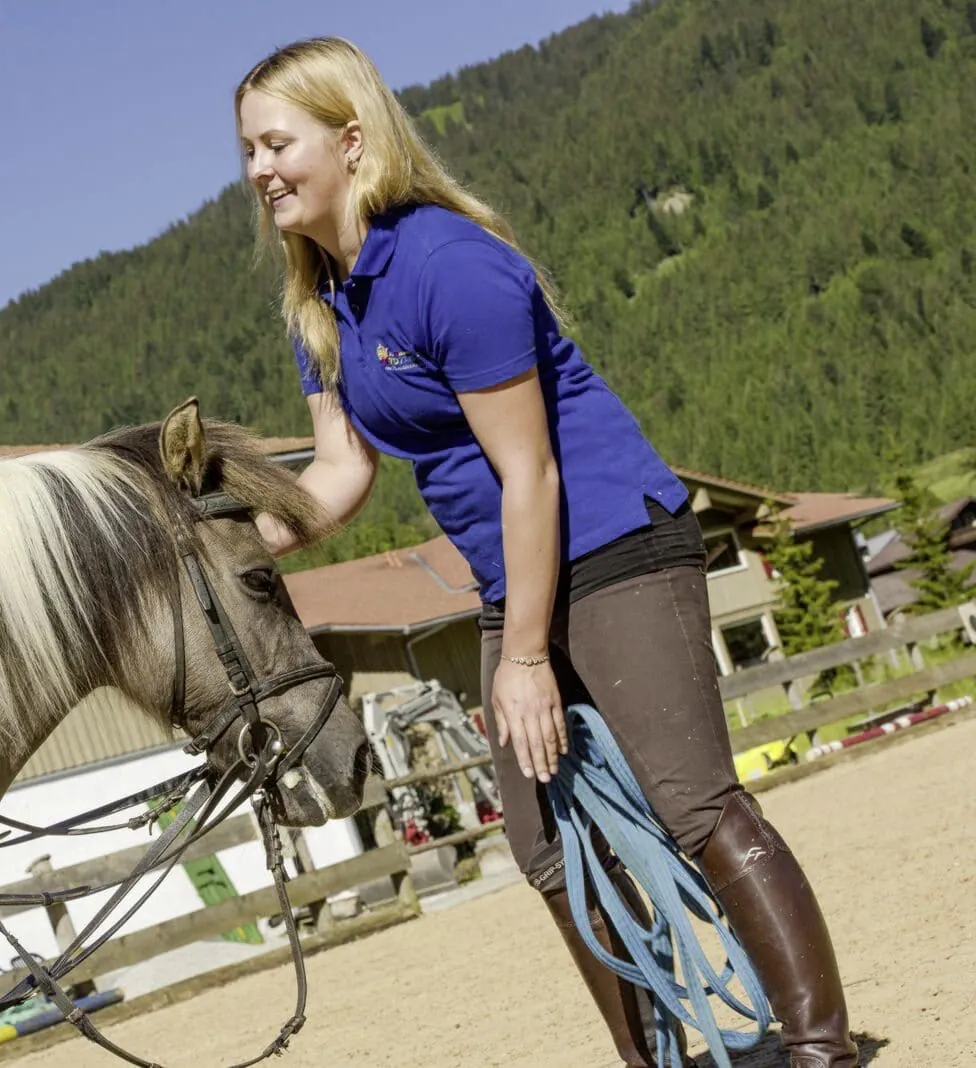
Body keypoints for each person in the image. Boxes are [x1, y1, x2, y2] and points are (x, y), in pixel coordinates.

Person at [234, 37, 855, 1067]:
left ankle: (820, 1052)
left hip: (611, 542)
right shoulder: (320, 303)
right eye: (246, 150)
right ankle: (657, 1060)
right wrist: (236, 549)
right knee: (547, 847)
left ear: (351, 141)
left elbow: (532, 474)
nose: (257, 170)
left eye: (275, 143)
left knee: (691, 801)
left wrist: (524, 657)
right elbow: (340, 475)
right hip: (513, 575)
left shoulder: (446, 263)